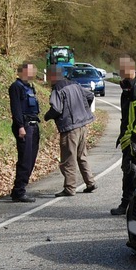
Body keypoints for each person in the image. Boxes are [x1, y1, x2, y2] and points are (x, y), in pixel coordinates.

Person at [43, 65, 96, 197]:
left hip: (69, 128)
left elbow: (56, 109)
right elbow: (90, 95)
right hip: (83, 125)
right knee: (82, 156)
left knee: (68, 158)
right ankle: (90, 182)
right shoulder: (75, 84)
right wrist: (85, 110)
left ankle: (70, 187)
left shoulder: (58, 89)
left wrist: (47, 116)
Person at [111, 56, 136, 216]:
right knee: (132, 173)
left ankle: (132, 206)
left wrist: (135, 140)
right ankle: (132, 205)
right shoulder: (129, 87)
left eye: (122, 69)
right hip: (129, 138)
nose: (120, 73)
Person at [8, 63, 41, 202]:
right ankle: (19, 190)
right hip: (24, 126)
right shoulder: (16, 87)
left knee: (31, 160)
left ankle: (21, 188)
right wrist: (20, 126)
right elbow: (16, 108)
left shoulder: (30, 87)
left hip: (33, 125)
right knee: (25, 159)